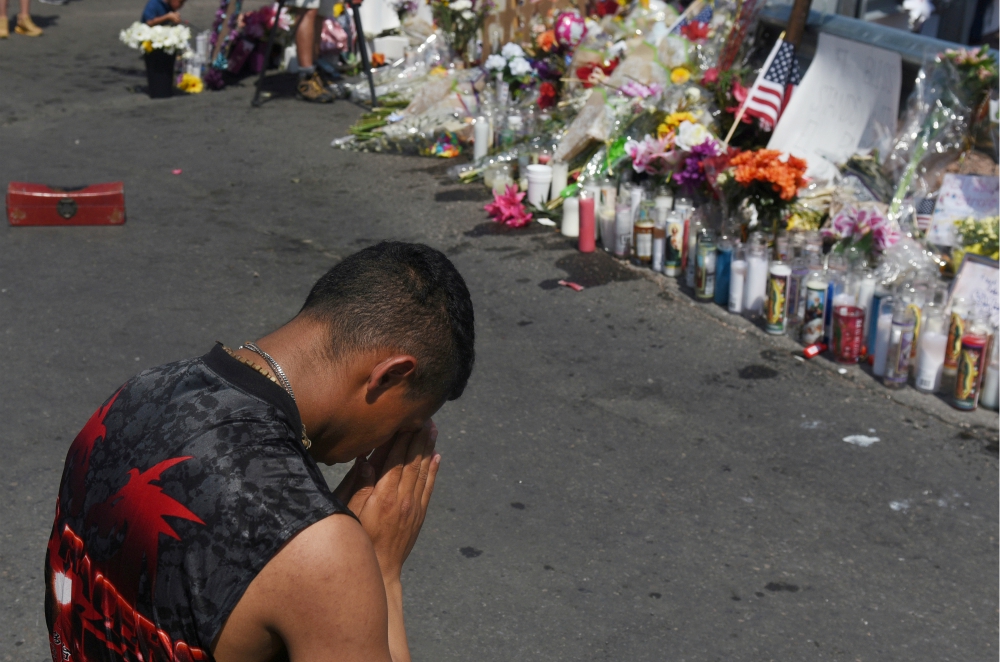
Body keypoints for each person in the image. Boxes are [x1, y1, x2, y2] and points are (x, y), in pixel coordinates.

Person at [44, 241, 476, 662]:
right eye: (405, 425)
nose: (388, 445)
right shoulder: (319, 553)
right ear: (387, 376)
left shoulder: (134, 395)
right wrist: (379, 572)